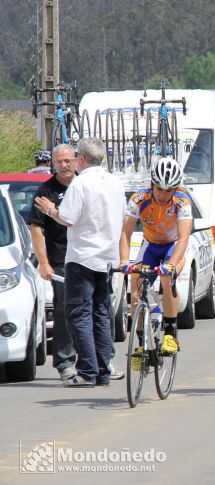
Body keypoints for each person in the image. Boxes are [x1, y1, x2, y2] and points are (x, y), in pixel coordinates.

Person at [34, 137, 125, 387]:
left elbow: (68, 218)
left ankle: (87, 370)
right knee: (101, 313)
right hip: (107, 257)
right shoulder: (115, 182)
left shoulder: (81, 182)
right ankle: (103, 368)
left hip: (83, 257)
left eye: (74, 157)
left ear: (81, 159)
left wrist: (51, 210)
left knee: (79, 314)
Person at [118, 157, 192, 364]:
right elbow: (125, 233)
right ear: (152, 185)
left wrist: (171, 265)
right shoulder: (139, 199)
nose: (163, 194)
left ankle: (170, 332)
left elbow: (184, 238)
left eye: (169, 191)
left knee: (168, 280)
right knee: (136, 284)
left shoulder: (181, 201)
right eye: (159, 189)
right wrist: (124, 260)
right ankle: (141, 343)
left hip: (172, 247)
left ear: (175, 189)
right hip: (150, 246)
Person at [28, 144, 78, 381]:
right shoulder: (45, 190)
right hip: (61, 260)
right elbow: (36, 228)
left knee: (97, 309)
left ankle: (101, 359)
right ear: (53, 164)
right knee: (64, 309)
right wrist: (44, 262)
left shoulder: (84, 185)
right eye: (59, 162)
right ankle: (65, 362)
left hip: (89, 257)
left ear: (77, 160)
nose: (64, 165)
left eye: (68, 160)